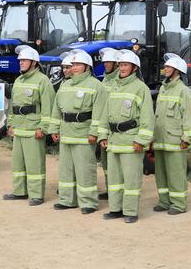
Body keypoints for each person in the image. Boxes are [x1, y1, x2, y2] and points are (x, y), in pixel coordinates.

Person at [49, 49, 107, 214]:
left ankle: (88, 202)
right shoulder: (65, 85)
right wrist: (54, 128)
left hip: (84, 134)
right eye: (72, 64)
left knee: (85, 170)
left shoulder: (96, 86)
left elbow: (99, 113)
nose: (73, 67)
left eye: (77, 64)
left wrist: (94, 133)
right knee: (66, 170)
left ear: (87, 67)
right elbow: (56, 109)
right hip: (67, 133)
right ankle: (67, 200)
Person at [100, 49, 154, 224]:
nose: (122, 68)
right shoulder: (114, 86)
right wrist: (102, 135)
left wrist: (141, 140)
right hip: (114, 140)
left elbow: (147, 118)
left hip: (131, 141)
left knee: (131, 179)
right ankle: (115, 209)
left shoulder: (141, 88)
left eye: (126, 65)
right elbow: (104, 114)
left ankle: (130, 211)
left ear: (134, 68)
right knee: (114, 180)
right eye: (121, 65)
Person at [3, 45, 55, 204]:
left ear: (34, 62)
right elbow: (13, 106)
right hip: (18, 129)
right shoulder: (18, 80)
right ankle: (20, 191)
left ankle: (37, 194)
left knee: (34, 165)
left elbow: (48, 107)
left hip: (33, 131)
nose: (21, 63)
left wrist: (43, 128)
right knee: (17, 164)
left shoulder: (43, 80)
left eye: (24, 60)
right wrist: (10, 124)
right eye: (20, 60)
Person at [152, 54, 191, 215]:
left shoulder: (183, 91)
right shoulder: (163, 89)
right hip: (160, 139)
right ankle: (164, 201)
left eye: (169, 67)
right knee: (161, 174)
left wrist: (187, 138)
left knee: (176, 174)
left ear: (177, 71)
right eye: (166, 67)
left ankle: (178, 204)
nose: (166, 69)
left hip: (175, 140)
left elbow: (188, 116)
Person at [97, 47, 120, 200]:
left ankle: (117, 191)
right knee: (105, 161)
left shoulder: (120, 80)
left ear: (116, 64)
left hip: (116, 128)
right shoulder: (105, 79)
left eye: (108, 62)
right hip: (104, 127)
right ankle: (109, 188)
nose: (105, 65)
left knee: (116, 163)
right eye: (104, 62)